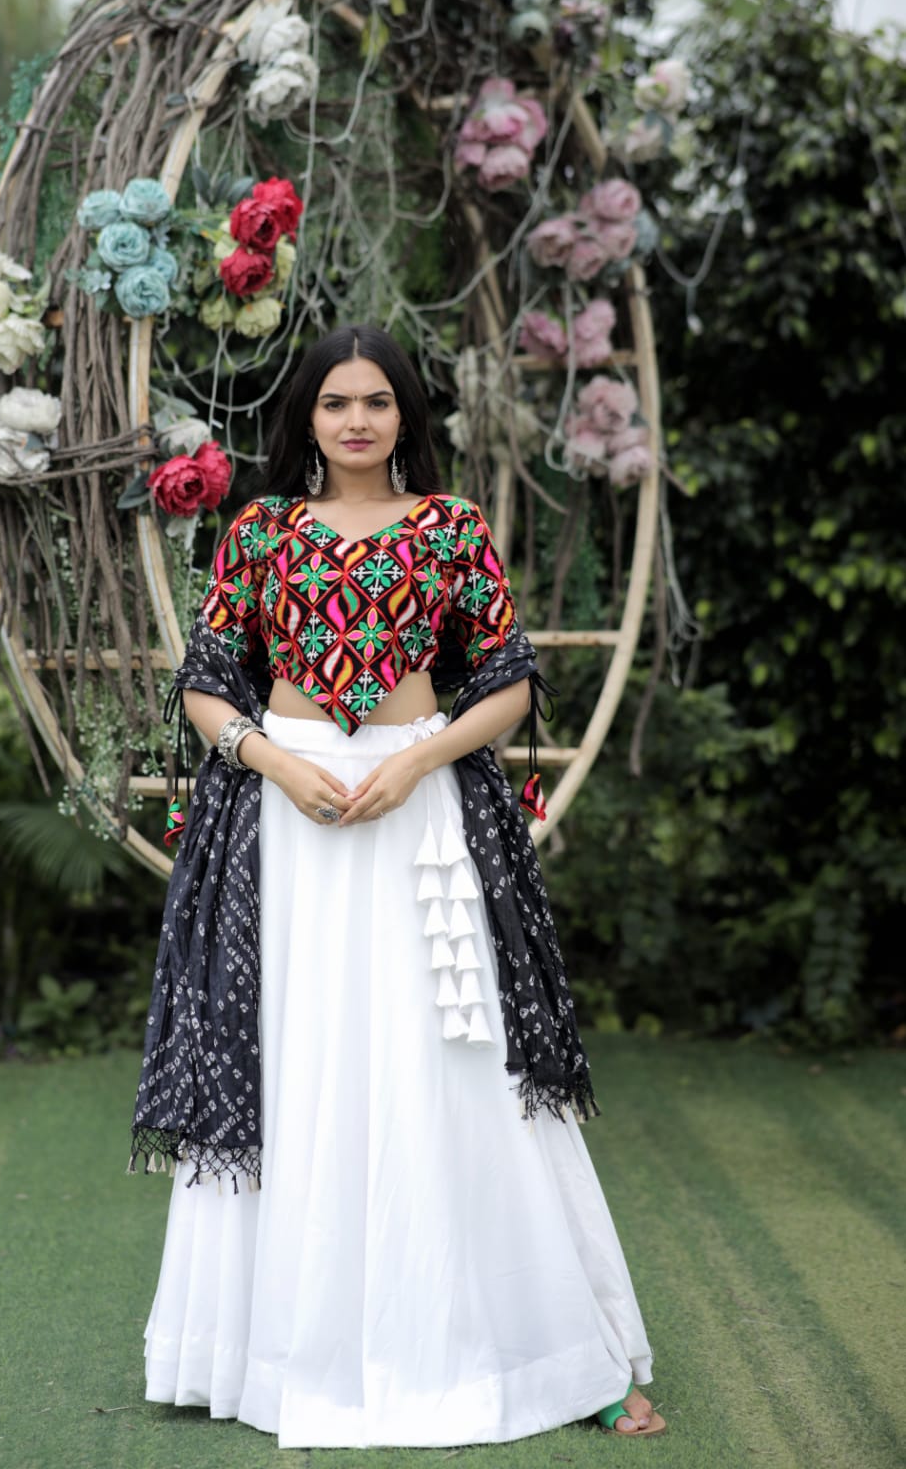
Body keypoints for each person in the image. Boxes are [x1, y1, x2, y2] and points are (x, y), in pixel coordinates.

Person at [132, 325, 665, 1445]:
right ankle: (271, 1355)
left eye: (378, 401)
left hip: (419, 811)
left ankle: (551, 1353)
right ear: (308, 419)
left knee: (453, 1055)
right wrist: (280, 764)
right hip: (289, 819)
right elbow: (209, 681)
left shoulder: (450, 527)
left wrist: (415, 759)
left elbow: (508, 681)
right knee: (302, 1051)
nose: (358, 420)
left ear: (407, 416)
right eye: (336, 403)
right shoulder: (258, 530)